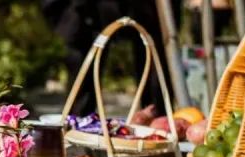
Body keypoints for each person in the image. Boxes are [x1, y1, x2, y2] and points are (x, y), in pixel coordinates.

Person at [43, 0, 180, 116]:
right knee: (82, 68)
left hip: (149, 7)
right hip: (86, 9)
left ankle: (157, 124)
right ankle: (77, 126)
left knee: (154, 56)